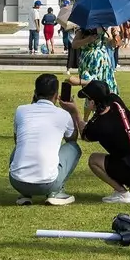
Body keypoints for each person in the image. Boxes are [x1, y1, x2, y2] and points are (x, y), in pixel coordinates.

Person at [77, 79, 130, 204]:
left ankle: (122, 193)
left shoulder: (100, 125)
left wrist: (74, 112)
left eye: (87, 100)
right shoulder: (115, 100)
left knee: (93, 160)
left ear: (92, 102)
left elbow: (84, 135)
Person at [8, 72, 81, 207]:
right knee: (74, 148)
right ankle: (57, 192)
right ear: (56, 94)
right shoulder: (63, 114)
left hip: (17, 182)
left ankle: (25, 195)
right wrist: (72, 112)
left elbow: (18, 140)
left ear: (35, 92)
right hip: (47, 183)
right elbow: (72, 139)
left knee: (20, 146)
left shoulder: (21, 110)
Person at [76, 28, 118, 95]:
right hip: (88, 61)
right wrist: (87, 39)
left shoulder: (103, 30)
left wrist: (114, 36)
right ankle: (92, 103)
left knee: (105, 83)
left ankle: (107, 102)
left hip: (102, 62)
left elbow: (113, 44)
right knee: (91, 86)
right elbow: (74, 45)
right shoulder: (81, 31)